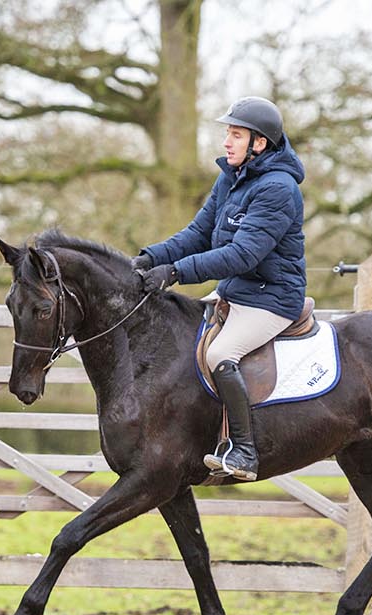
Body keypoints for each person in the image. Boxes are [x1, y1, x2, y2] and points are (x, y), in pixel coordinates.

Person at [133, 96, 307, 481]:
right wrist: (149, 258)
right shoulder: (231, 176)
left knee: (221, 353)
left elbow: (241, 255)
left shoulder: (278, 189)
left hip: (271, 298)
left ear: (258, 143)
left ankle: (244, 451)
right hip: (237, 293)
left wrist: (174, 272)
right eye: (227, 133)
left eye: (235, 134)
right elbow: (198, 234)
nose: (226, 142)